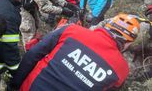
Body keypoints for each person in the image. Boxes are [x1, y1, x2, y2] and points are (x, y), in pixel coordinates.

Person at [10, 13, 141, 90]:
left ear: (107, 26)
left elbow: (33, 54)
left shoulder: (71, 30)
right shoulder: (122, 71)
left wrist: (14, 85)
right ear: (129, 42)